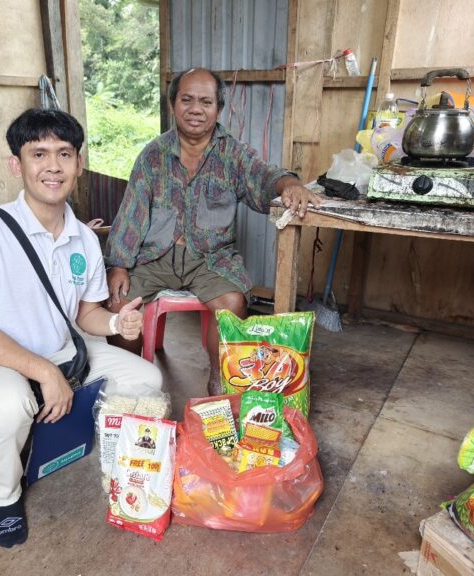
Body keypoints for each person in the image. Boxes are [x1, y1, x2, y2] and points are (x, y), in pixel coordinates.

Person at [0, 108, 162, 548]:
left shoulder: (84, 239)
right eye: (38, 153)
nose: (53, 166)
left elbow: (85, 315)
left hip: (61, 352)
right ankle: (3, 496)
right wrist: (44, 372)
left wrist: (116, 321)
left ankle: (109, 452)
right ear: (16, 165)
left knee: (145, 381)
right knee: (6, 405)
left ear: (79, 164)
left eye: (64, 153)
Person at [104, 67, 322, 396]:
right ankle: (131, 381)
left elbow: (265, 176)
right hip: (154, 257)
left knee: (232, 302)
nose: (196, 109)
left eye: (205, 102)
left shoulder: (233, 154)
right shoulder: (153, 155)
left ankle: (219, 382)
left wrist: (289, 184)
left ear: (218, 109)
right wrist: (119, 264)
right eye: (187, 100)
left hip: (210, 259)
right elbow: (131, 212)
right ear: (173, 104)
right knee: (118, 304)